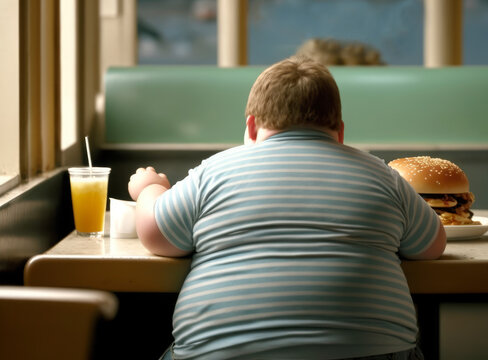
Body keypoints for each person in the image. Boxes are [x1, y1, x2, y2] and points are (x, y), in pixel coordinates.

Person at [128, 56, 446, 360]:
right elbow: (433, 244)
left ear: (251, 128)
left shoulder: (215, 171)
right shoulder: (382, 175)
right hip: (377, 353)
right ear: (341, 132)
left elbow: (155, 235)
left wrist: (149, 189)